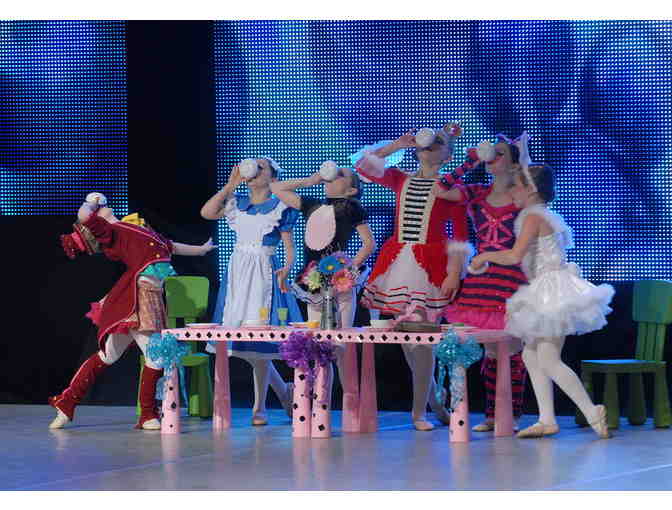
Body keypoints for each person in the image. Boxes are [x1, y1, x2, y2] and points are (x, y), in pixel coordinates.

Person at [469, 163, 612, 439]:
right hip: (545, 287)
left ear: (531, 190)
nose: (511, 191)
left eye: (516, 186)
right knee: (530, 355)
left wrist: (483, 256)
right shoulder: (540, 214)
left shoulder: (534, 216)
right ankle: (547, 419)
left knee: (548, 359)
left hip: (552, 290)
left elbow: (513, 255)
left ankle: (592, 411)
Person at [50, 194, 216, 430]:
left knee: (109, 355)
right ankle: (147, 414)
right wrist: (91, 202)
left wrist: (201, 250)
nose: (105, 207)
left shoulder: (137, 227)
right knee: (155, 355)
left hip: (149, 298)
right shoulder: (110, 232)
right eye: (100, 209)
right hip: (136, 298)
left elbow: (170, 246)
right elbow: (84, 216)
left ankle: (66, 402)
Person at [355, 124, 473, 431]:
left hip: (430, 267)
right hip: (398, 263)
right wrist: (396, 145)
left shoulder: (452, 189)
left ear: (448, 156)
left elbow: (460, 236)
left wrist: (453, 273)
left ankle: (418, 413)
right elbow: (362, 166)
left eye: (439, 142)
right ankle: (434, 402)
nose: (430, 145)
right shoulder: (401, 179)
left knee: (422, 342)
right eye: (428, 141)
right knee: (409, 343)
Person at [432, 133, 530, 432]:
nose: (492, 157)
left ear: (513, 164)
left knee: (512, 349)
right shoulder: (476, 192)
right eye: (491, 152)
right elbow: (440, 188)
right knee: (489, 351)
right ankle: (491, 413)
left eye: (500, 154)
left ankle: (512, 414)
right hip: (482, 278)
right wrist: (469, 162)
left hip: (512, 276)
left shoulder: (522, 197)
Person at [201, 158, 301, 426]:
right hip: (238, 276)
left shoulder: (280, 206)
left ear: (273, 177)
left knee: (260, 339)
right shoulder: (237, 204)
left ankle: (260, 407)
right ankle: (284, 393)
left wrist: (287, 267)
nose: (255, 171)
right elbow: (206, 212)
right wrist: (229, 186)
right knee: (245, 344)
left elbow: (290, 248)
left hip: (263, 275)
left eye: (262, 167)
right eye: (253, 166)